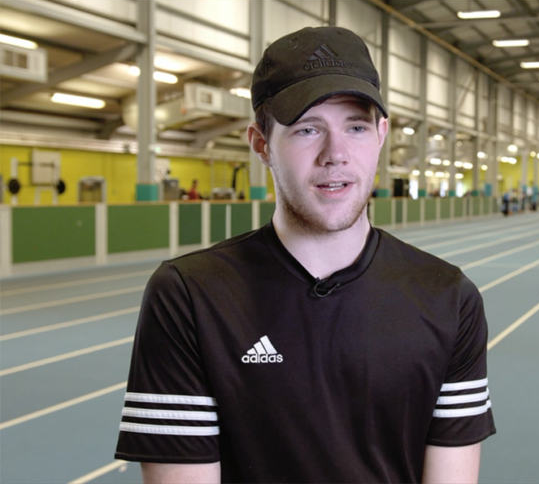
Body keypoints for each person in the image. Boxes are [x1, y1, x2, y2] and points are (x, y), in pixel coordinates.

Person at [115, 26, 495, 484]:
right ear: (261, 145)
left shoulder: (449, 299)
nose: (335, 154)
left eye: (355, 126)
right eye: (308, 129)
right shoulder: (190, 297)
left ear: (381, 135)